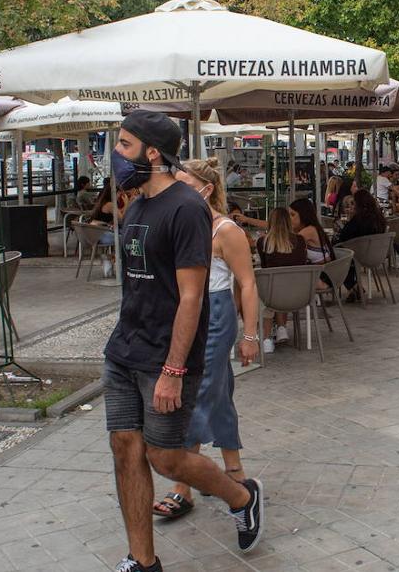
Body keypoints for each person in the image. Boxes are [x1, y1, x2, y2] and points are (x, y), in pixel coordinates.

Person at [103, 110, 263, 572]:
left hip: (165, 356)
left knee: (167, 457)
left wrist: (173, 370)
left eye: (125, 145)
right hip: (124, 351)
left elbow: (192, 298)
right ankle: (143, 560)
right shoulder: (136, 205)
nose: (116, 154)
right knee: (124, 448)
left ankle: (240, 495)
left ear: (153, 153)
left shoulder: (186, 208)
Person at [154, 158, 260, 523]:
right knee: (219, 392)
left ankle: (183, 484)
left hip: (215, 313)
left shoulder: (226, 230)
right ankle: (235, 471)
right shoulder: (183, 224)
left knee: (198, 393)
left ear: (206, 188)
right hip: (186, 313)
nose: (177, 190)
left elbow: (246, 283)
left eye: (184, 183)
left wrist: (250, 334)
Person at [254, 207, 307, 351]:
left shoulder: (263, 242)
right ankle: (281, 328)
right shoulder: (300, 241)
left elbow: (265, 268)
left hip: (274, 296)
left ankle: (265, 340)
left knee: (264, 289)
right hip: (299, 295)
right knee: (281, 284)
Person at [335, 189, 387, 297]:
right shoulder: (379, 218)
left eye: (354, 203)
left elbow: (344, 236)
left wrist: (350, 219)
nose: (352, 206)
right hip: (377, 255)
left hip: (359, 255)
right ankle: (354, 288)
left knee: (338, 254)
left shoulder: (359, 219)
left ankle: (353, 287)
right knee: (346, 252)